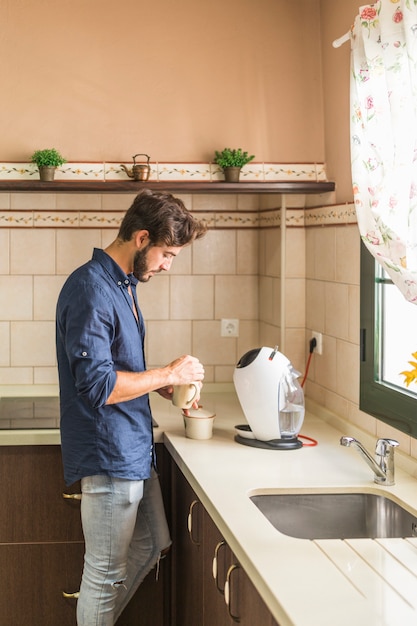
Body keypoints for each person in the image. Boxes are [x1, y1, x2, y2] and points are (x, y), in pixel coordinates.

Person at [56, 189, 207, 625]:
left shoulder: (122, 284)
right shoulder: (90, 289)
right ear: (141, 238)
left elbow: (117, 367)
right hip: (109, 453)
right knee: (104, 574)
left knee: (153, 541)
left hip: (132, 446)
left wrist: (157, 384)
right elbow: (98, 386)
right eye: (166, 254)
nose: (166, 265)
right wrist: (169, 374)